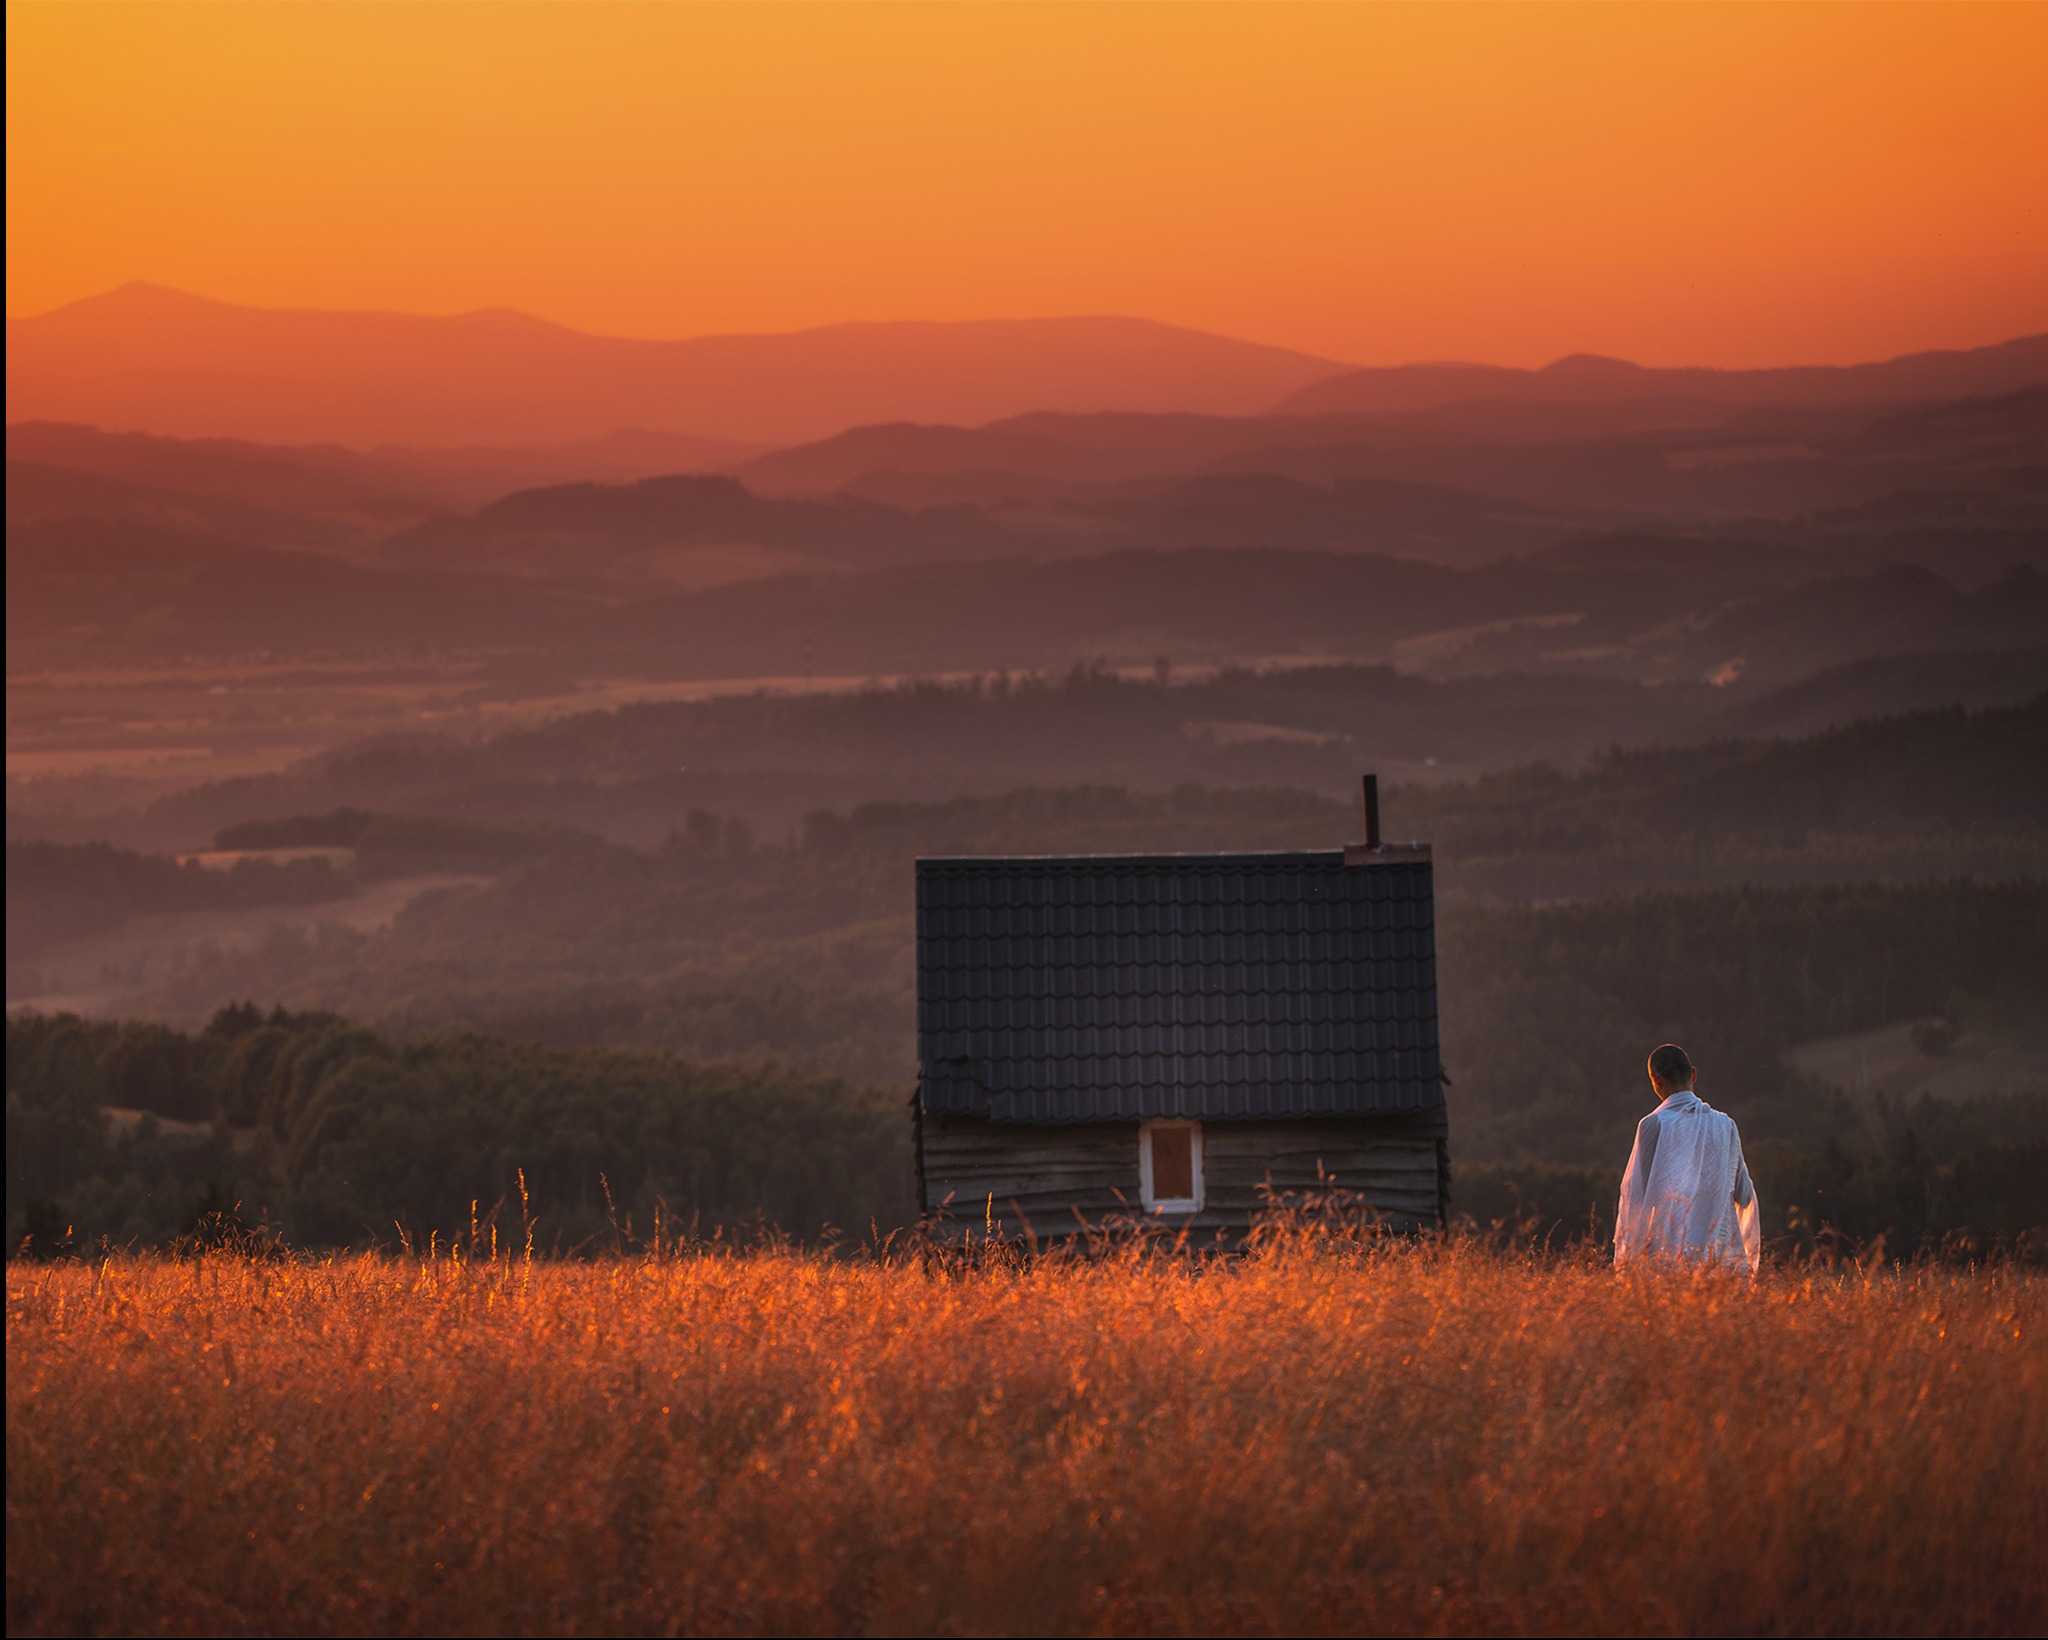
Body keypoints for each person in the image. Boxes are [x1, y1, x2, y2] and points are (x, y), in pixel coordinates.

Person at [1614, 1043, 1760, 1273]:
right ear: (1693, 1074)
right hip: (1720, 1264)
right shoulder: (1726, 1126)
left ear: (1656, 1082)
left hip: (1668, 1264)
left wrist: (1628, 1262)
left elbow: (1636, 1199)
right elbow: (1743, 1194)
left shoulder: (1653, 1125)